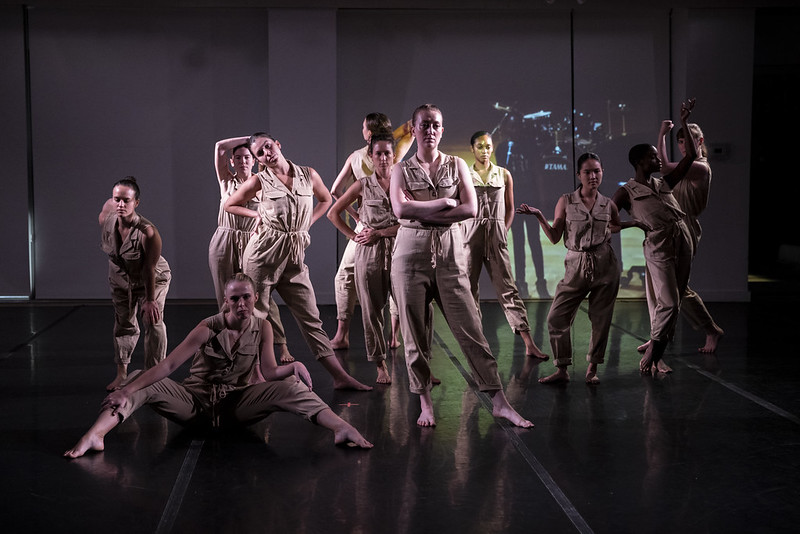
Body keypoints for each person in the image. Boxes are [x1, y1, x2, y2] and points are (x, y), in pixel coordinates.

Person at [64, 274, 372, 458]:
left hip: (234, 408)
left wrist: (291, 369)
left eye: (246, 298)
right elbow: (170, 364)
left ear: (255, 298)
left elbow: (268, 372)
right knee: (137, 378)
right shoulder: (207, 327)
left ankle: (341, 428)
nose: (241, 304)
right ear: (226, 301)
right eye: (234, 298)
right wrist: (127, 389)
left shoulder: (263, 327)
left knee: (290, 387)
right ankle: (96, 435)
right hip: (194, 404)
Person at [389, 104, 533, 428]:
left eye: (435, 125)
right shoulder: (400, 169)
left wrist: (420, 209)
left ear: (442, 130)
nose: (430, 130)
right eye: (424, 125)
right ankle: (424, 402)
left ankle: (499, 401)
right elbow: (400, 211)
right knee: (414, 335)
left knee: (471, 329)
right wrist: (442, 203)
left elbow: (469, 208)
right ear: (413, 129)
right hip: (409, 256)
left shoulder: (457, 166)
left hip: (451, 254)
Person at [224, 132, 372, 391]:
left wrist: (307, 224)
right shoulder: (261, 180)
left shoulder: (308, 174)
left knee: (311, 318)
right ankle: (254, 374)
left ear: (278, 145)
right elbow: (230, 204)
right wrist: (255, 214)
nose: (266, 153)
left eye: (268, 146)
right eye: (260, 152)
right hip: (262, 256)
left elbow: (326, 199)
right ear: (258, 160)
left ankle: (339, 376)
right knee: (255, 315)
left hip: (293, 256)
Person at [517, 153, 625, 384]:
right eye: (587, 172)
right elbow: (555, 236)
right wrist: (538, 215)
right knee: (556, 318)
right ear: (578, 175)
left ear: (602, 172)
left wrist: (631, 224)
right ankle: (562, 369)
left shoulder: (609, 204)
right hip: (576, 264)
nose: (593, 176)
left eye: (597, 171)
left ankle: (592, 369)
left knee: (601, 319)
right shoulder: (566, 201)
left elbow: (615, 225)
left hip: (605, 264)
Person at [612, 99, 699, 375]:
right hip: (658, 244)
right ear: (639, 162)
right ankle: (654, 349)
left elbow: (690, 159)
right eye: (652, 157)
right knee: (669, 302)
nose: (658, 159)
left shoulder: (663, 182)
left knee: (677, 301)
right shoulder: (627, 191)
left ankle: (658, 350)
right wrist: (633, 223)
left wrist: (684, 121)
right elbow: (609, 220)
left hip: (682, 236)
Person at [636, 120, 723, 354]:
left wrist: (662, 134)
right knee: (657, 285)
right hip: (667, 229)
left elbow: (663, 168)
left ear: (700, 142)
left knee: (677, 289)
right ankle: (657, 336)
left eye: (689, 141)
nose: (684, 145)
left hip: (686, 228)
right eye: (681, 141)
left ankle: (710, 329)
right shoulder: (687, 166)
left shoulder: (700, 167)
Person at [329, 113, 414, 349]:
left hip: (376, 228)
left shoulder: (360, 156)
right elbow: (410, 131)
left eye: (364, 128)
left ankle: (342, 334)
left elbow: (336, 190)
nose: (384, 158)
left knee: (350, 278)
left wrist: (356, 216)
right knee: (397, 283)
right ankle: (393, 336)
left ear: (368, 133)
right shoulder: (394, 155)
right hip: (381, 228)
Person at [463, 131, 549, 361]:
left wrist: (503, 229)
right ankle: (476, 345)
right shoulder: (465, 175)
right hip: (470, 237)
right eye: (480, 146)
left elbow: (510, 207)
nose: (485, 150)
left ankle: (529, 343)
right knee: (469, 292)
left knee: (508, 289)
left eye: (488, 146)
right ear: (472, 149)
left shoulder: (504, 174)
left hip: (496, 236)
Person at [209, 137, 295, 364]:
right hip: (225, 239)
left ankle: (280, 344)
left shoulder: (263, 182)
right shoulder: (227, 181)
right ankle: (228, 347)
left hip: (253, 242)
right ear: (232, 161)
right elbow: (219, 146)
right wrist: (250, 139)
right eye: (238, 158)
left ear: (254, 160)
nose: (242, 161)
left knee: (261, 297)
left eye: (247, 157)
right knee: (225, 297)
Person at [328, 131, 400, 384]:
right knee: (372, 311)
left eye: (387, 153)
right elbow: (333, 213)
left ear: (393, 156)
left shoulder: (404, 182)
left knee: (410, 307)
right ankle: (381, 365)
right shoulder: (362, 184)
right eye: (378, 153)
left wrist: (380, 232)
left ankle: (421, 365)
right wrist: (354, 235)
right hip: (369, 254)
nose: (382, 158)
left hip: (400, 249)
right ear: (370, 156)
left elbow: (413, 220)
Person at [99, 177, 170, 391]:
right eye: (117, 199)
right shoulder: (106, 218)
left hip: (152, 277)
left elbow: (149, 268)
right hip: (121, 277)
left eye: (126, 200)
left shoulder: (148, 232)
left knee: (153, 321)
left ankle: (153, 374)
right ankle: (122, 374)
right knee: (123, 323)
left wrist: (149, 301)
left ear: (136, 203)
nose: (121, 205)